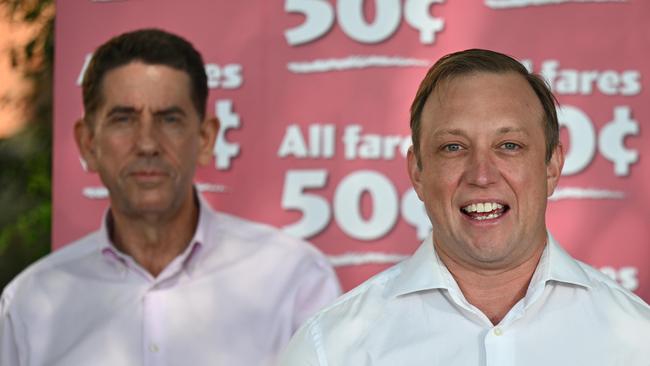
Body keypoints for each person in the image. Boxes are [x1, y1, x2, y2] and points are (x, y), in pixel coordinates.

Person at [279, 49, 650, 365]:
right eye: (453, 147)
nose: (482, 175)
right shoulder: (330, 349)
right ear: (418, 171)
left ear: (552, 167)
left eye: (509, 145)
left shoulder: (638, 340)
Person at [0, 28, 340, 366]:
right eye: (123, 119)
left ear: (205, 139)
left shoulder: (294, 280)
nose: (147, 143)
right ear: (88, 143)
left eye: (169, 119)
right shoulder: (31, 305)